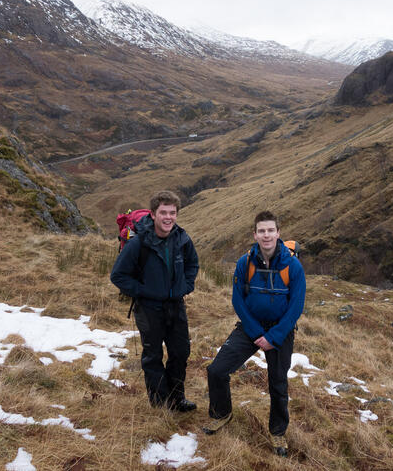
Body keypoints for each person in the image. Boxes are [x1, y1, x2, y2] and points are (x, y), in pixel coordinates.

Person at [203, 211, 305, 457]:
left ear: (278, 233)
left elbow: (296, 307)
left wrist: (274, 337)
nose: (266, 235)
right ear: (255, 234)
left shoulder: (292, 265)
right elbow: (238, 301)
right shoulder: (244, 263)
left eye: (271, 230)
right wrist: (257, 332)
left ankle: (278, 431)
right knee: (216, 370)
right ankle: (221, 414)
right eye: (262, 231)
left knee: (278, 383)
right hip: (252, 327)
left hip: (280, 330)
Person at [110, 190, 199, 412]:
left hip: (176, 306)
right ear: (153, 214)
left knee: (180, 353)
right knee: (153, 356)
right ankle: (160, 405)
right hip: (148, 308)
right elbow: (118, 276)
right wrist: (142, 291)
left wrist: (186, 286)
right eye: (163, 212)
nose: (168, 217)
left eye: (172, 212)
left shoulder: (182, 238)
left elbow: (192, 264)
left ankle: (176, 399)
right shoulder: (138, 243)